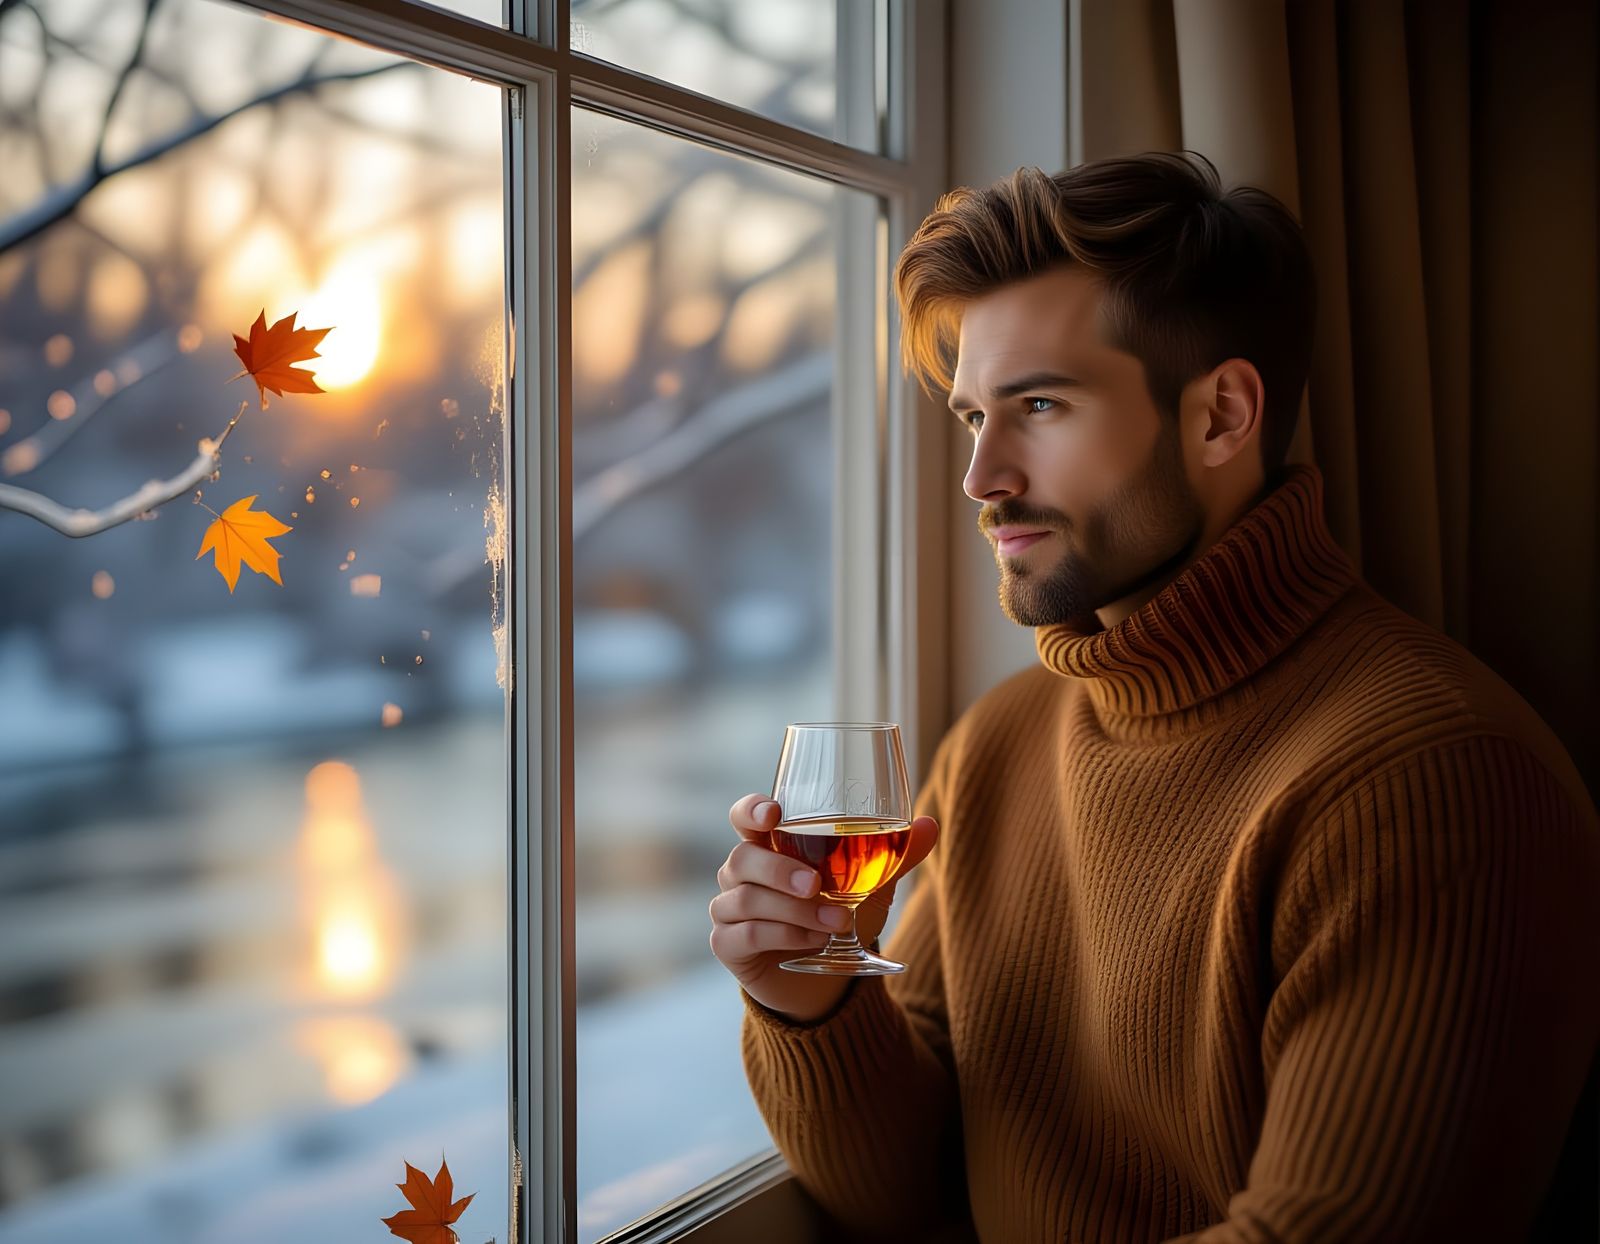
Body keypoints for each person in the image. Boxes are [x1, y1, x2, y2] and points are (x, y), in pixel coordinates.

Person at [707, 152, 1600, 1243]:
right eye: (970, 415)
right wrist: (808, 993)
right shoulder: (997, 742)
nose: (980, 476)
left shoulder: (1435, 779)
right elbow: (920, 1192)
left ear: (1221, 415)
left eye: (1038, 404)